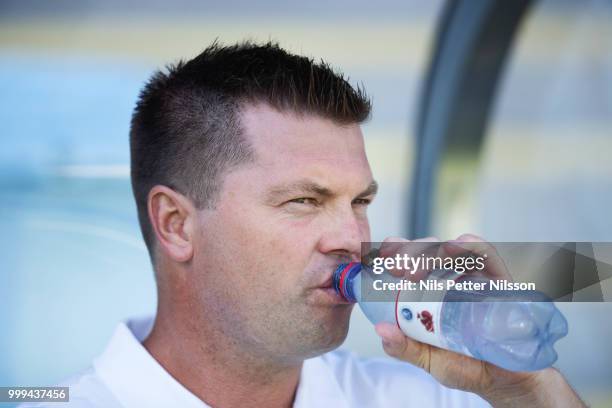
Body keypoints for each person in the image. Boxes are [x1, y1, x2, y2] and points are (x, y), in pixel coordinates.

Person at [23, 41, 585, 407]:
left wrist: (530, 391)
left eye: (359, 201)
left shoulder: (426, 397)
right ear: (176, 225)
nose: (350, 239)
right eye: (302, 201)